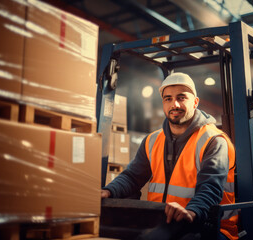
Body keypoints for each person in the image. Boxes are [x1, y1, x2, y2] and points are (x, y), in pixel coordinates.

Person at [101, 72, 238, 240]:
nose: (175, 104)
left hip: (208, 225)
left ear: (195, 102)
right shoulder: (152, 140)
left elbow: (210, 188)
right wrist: (108, 191)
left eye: (181, 98)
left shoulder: (214, 140)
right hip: (163, 221)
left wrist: (192, 211)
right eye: (168, 99)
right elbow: (132, 177)